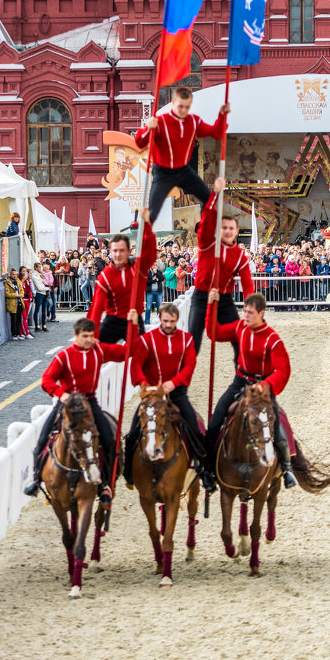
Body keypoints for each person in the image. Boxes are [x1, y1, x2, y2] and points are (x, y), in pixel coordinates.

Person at [24, 311, 138, 504]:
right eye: (85, 336)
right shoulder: (63, 357)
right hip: (67, 402)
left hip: (90, 401)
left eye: (91, 336)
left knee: (110, 441)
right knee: (43, 439)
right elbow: (46, 380)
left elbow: (128, 351)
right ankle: (36, 479)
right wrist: (61, 394)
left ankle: (105, 485)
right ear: (76, 336)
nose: (89, 340)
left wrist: (133, 327)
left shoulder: (99, 350)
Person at [204, 290, 297, 491]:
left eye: (250, 313)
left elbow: (283, 370)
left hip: (264, 387)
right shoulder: (240, 327)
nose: (245, 316)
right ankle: (209, 468)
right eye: (244, 311)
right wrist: (211, 306)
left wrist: (265, 385)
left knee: (279, 425)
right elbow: (214, 332)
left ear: (261, 313)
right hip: (240, 382)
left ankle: (287, 469)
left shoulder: (273, 339)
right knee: (215, 420)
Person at [125, 303, 212, 488]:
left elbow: (190, 365)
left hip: (176, 393)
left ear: (177, 321)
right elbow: (137, 363)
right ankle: (128, 472)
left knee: (196, 431)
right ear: (160, 319)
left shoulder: (186, 340)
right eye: (165, 321)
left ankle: (203, 470)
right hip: (151, 395)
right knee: (133, 433)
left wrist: (174, 382)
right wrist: (143, 384)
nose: (168, 324)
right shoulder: (147, 339)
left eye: (172, 321)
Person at [134, 86, 230, 223]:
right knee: (152, 213)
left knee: (209, 198)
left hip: (183, 171)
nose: (184, 110)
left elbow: (216, 133)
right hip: (163, 173)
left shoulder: (193, 121)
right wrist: (148, 127)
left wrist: (222, 116)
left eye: (187, 107)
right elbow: (139, 143)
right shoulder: (160, 121)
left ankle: (205, 230)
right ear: (173, 102)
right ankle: (144, 239)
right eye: (181, 106)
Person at [188, 177, 254, 355]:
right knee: (192, 344)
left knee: (240, 343)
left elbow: (247, 283)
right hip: (201, 298)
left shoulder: (240, 255)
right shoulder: (208, 244)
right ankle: (181, 382)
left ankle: (244, 380)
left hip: (224, 301)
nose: (227, 231)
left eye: (231, 228)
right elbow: (208, 216)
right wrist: (215, 194)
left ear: (237, 231)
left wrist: (250, 306)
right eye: (224, 227)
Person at [88, 208, 156, 343]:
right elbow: (97, 306)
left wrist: (147, 224)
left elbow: (151, 252)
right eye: (115, 251)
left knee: (142, 357)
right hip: (112, 320)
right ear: (110, 251)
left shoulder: (138, 267)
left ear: (129, 251)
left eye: (122, 250)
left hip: (135, 319)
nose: (118, 254)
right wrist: (91, 333)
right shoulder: (105, 276)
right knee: (96, 352)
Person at [4, 268, 24, 340]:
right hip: (12, 303)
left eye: (16, 274)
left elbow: (21, 290)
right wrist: (17, 295)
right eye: (13, 274)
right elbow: (7, 294)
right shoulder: (7, 283)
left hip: (19, 303)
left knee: (19, 319)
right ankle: (14, 334)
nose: (15, 276)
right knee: (14, 319)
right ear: (10, 275)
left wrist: (21, 294)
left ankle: (18, 333)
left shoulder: (18, 281)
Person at [31, 262, 49, 331]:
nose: (40, 268)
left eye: (40, 267)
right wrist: (47, 288)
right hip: (39, 293)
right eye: (39, 267)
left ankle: (44, 325)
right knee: (37, 310)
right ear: (35, 267)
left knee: (44, 310)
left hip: (44, 293)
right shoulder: (34, 275)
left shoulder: (41, 274)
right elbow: (40, 287)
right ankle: (37, 325)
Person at [18, 266, 34, 339]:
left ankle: (22, 332)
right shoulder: (19, 279)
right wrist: (22, 281)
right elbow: (19, 288)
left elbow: (31, 289)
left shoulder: (27, 280)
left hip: (28, 300)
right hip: (23, 300)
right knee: (23, 317)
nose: (24, 273)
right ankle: (25, 332)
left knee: (25, 317)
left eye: (25, 272)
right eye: (23, 271)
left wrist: (30, 281)